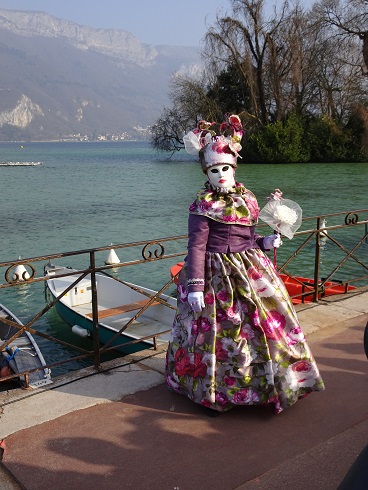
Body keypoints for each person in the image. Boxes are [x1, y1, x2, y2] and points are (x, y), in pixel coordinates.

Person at [165, 115, 325, 415]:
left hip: (249, 268)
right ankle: (217, 390)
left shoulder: (248, 198)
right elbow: (196, 246)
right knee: (217, 331)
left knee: (265, 325)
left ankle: (270, 385)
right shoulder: (202, 204)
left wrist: (266, 242)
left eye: (225, 168)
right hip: (214, 274)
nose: (221, 174)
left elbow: (249, 237)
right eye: (214, 170)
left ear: (234, 167)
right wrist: (196, 285)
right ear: (207, 172)